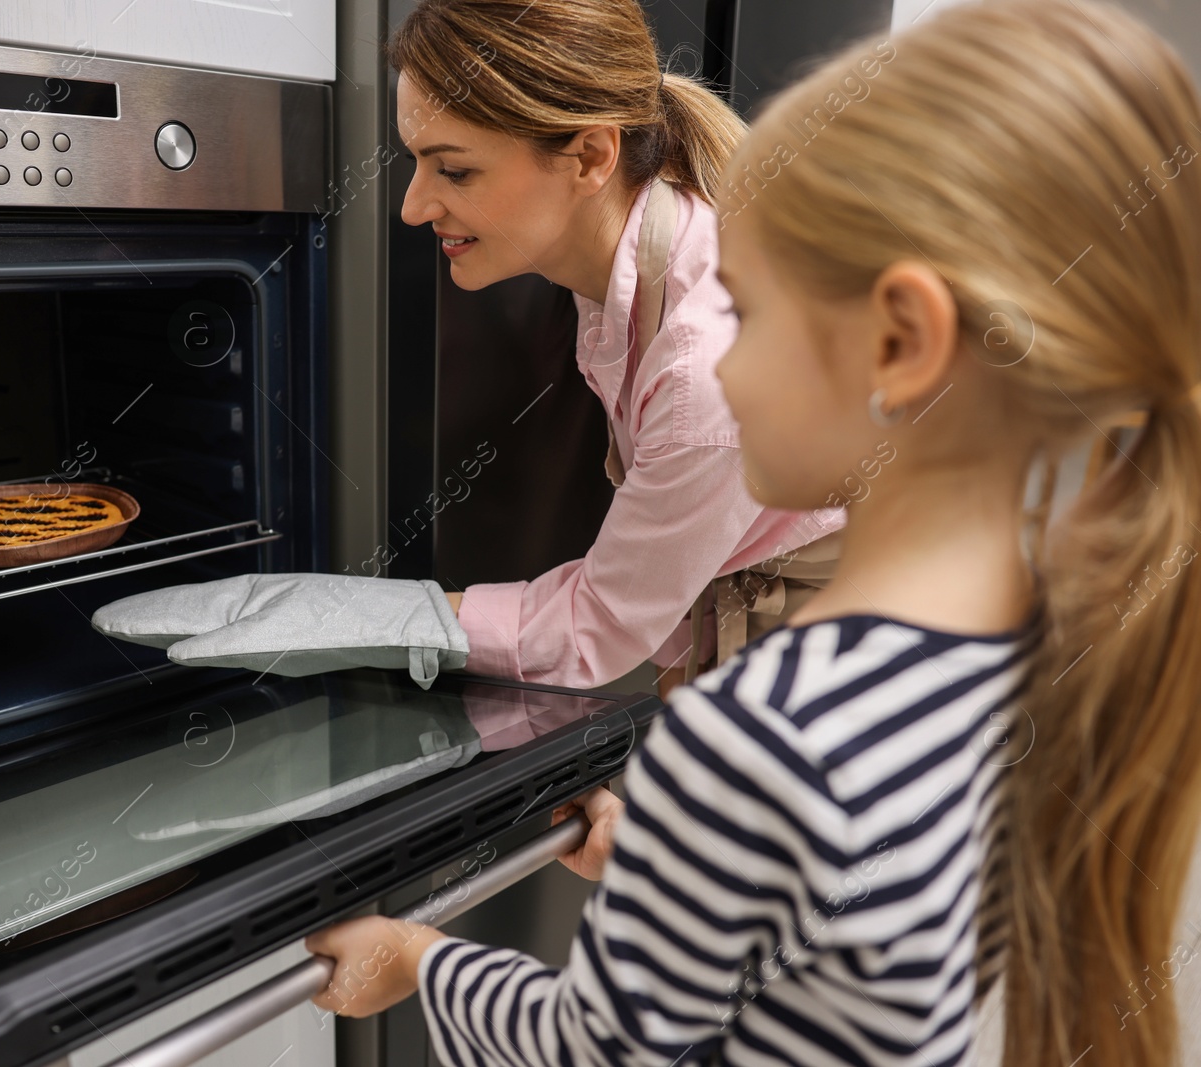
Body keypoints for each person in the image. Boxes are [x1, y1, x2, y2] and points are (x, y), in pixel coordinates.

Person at [305, 2, 1201, 1065]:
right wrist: (690, 862)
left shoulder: (757, 738)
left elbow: (597, 1050)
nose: (721, 363)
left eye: (750, 311)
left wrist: (416, 959)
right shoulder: (1016, 673)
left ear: (903, 341)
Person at [92, 0, 844, 698]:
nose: (414, 206)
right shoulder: (631, 253)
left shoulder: (707, 369)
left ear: (589, 157)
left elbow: (599, 625)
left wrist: (407, 618)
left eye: (454, 169)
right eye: (416, 159)